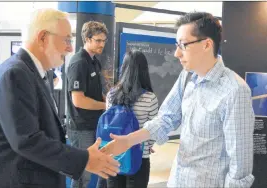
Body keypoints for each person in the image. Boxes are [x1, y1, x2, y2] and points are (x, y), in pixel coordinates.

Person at [0, 8, 119, 188]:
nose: (70, 47)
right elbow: (27, 140)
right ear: (42, 38)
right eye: (66, 40)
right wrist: (84, 159)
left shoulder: (35, 73)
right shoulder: (15, 74)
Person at [101, 12, 255, 188]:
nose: (176, 53)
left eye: (183, 45)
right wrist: (128, 140)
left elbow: (240, 165)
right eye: (177, 45)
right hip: (178, 180)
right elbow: (166, 118)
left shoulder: (235, 90)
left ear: (206, 45)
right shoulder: (187, 77)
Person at [101, 50, 159, 188]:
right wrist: (148, 146)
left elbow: (108, 124)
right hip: (139, 157)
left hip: (115, 155)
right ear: (144, 70)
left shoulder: (111, 95)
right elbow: (154, 130)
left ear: (124, 68)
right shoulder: (149, 98)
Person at [66, 21, 108, 188]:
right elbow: (79, 100)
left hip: (94, 124)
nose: (102, 44)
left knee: (94, 170)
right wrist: (105, 106)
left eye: (104, 40)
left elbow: (97, 94)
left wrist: (110, 101)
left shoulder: (94, 62)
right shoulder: (79, 63)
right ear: (87, 39)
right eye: (98, 40)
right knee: (83, 174)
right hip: (81, 127)